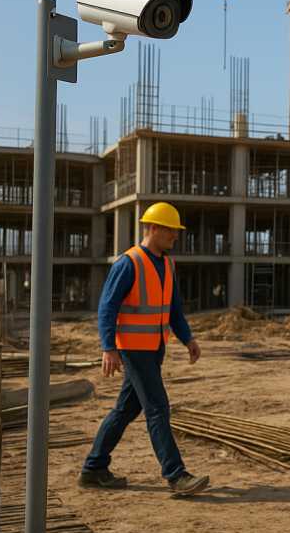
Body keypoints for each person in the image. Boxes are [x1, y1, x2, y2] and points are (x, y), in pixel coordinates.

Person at [79, 202, 210, 496]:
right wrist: (108, 347)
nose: (175, 237)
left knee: (125, 410)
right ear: (153, 228)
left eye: (177, 232)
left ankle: (94, 467)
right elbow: (107, 307)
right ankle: (176, 475)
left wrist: (188, 338)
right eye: (171, 231)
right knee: (157, 408)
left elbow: (173, 308)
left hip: (155, 349)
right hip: (134, 351)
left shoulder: (167, 263)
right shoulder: (129, 263)